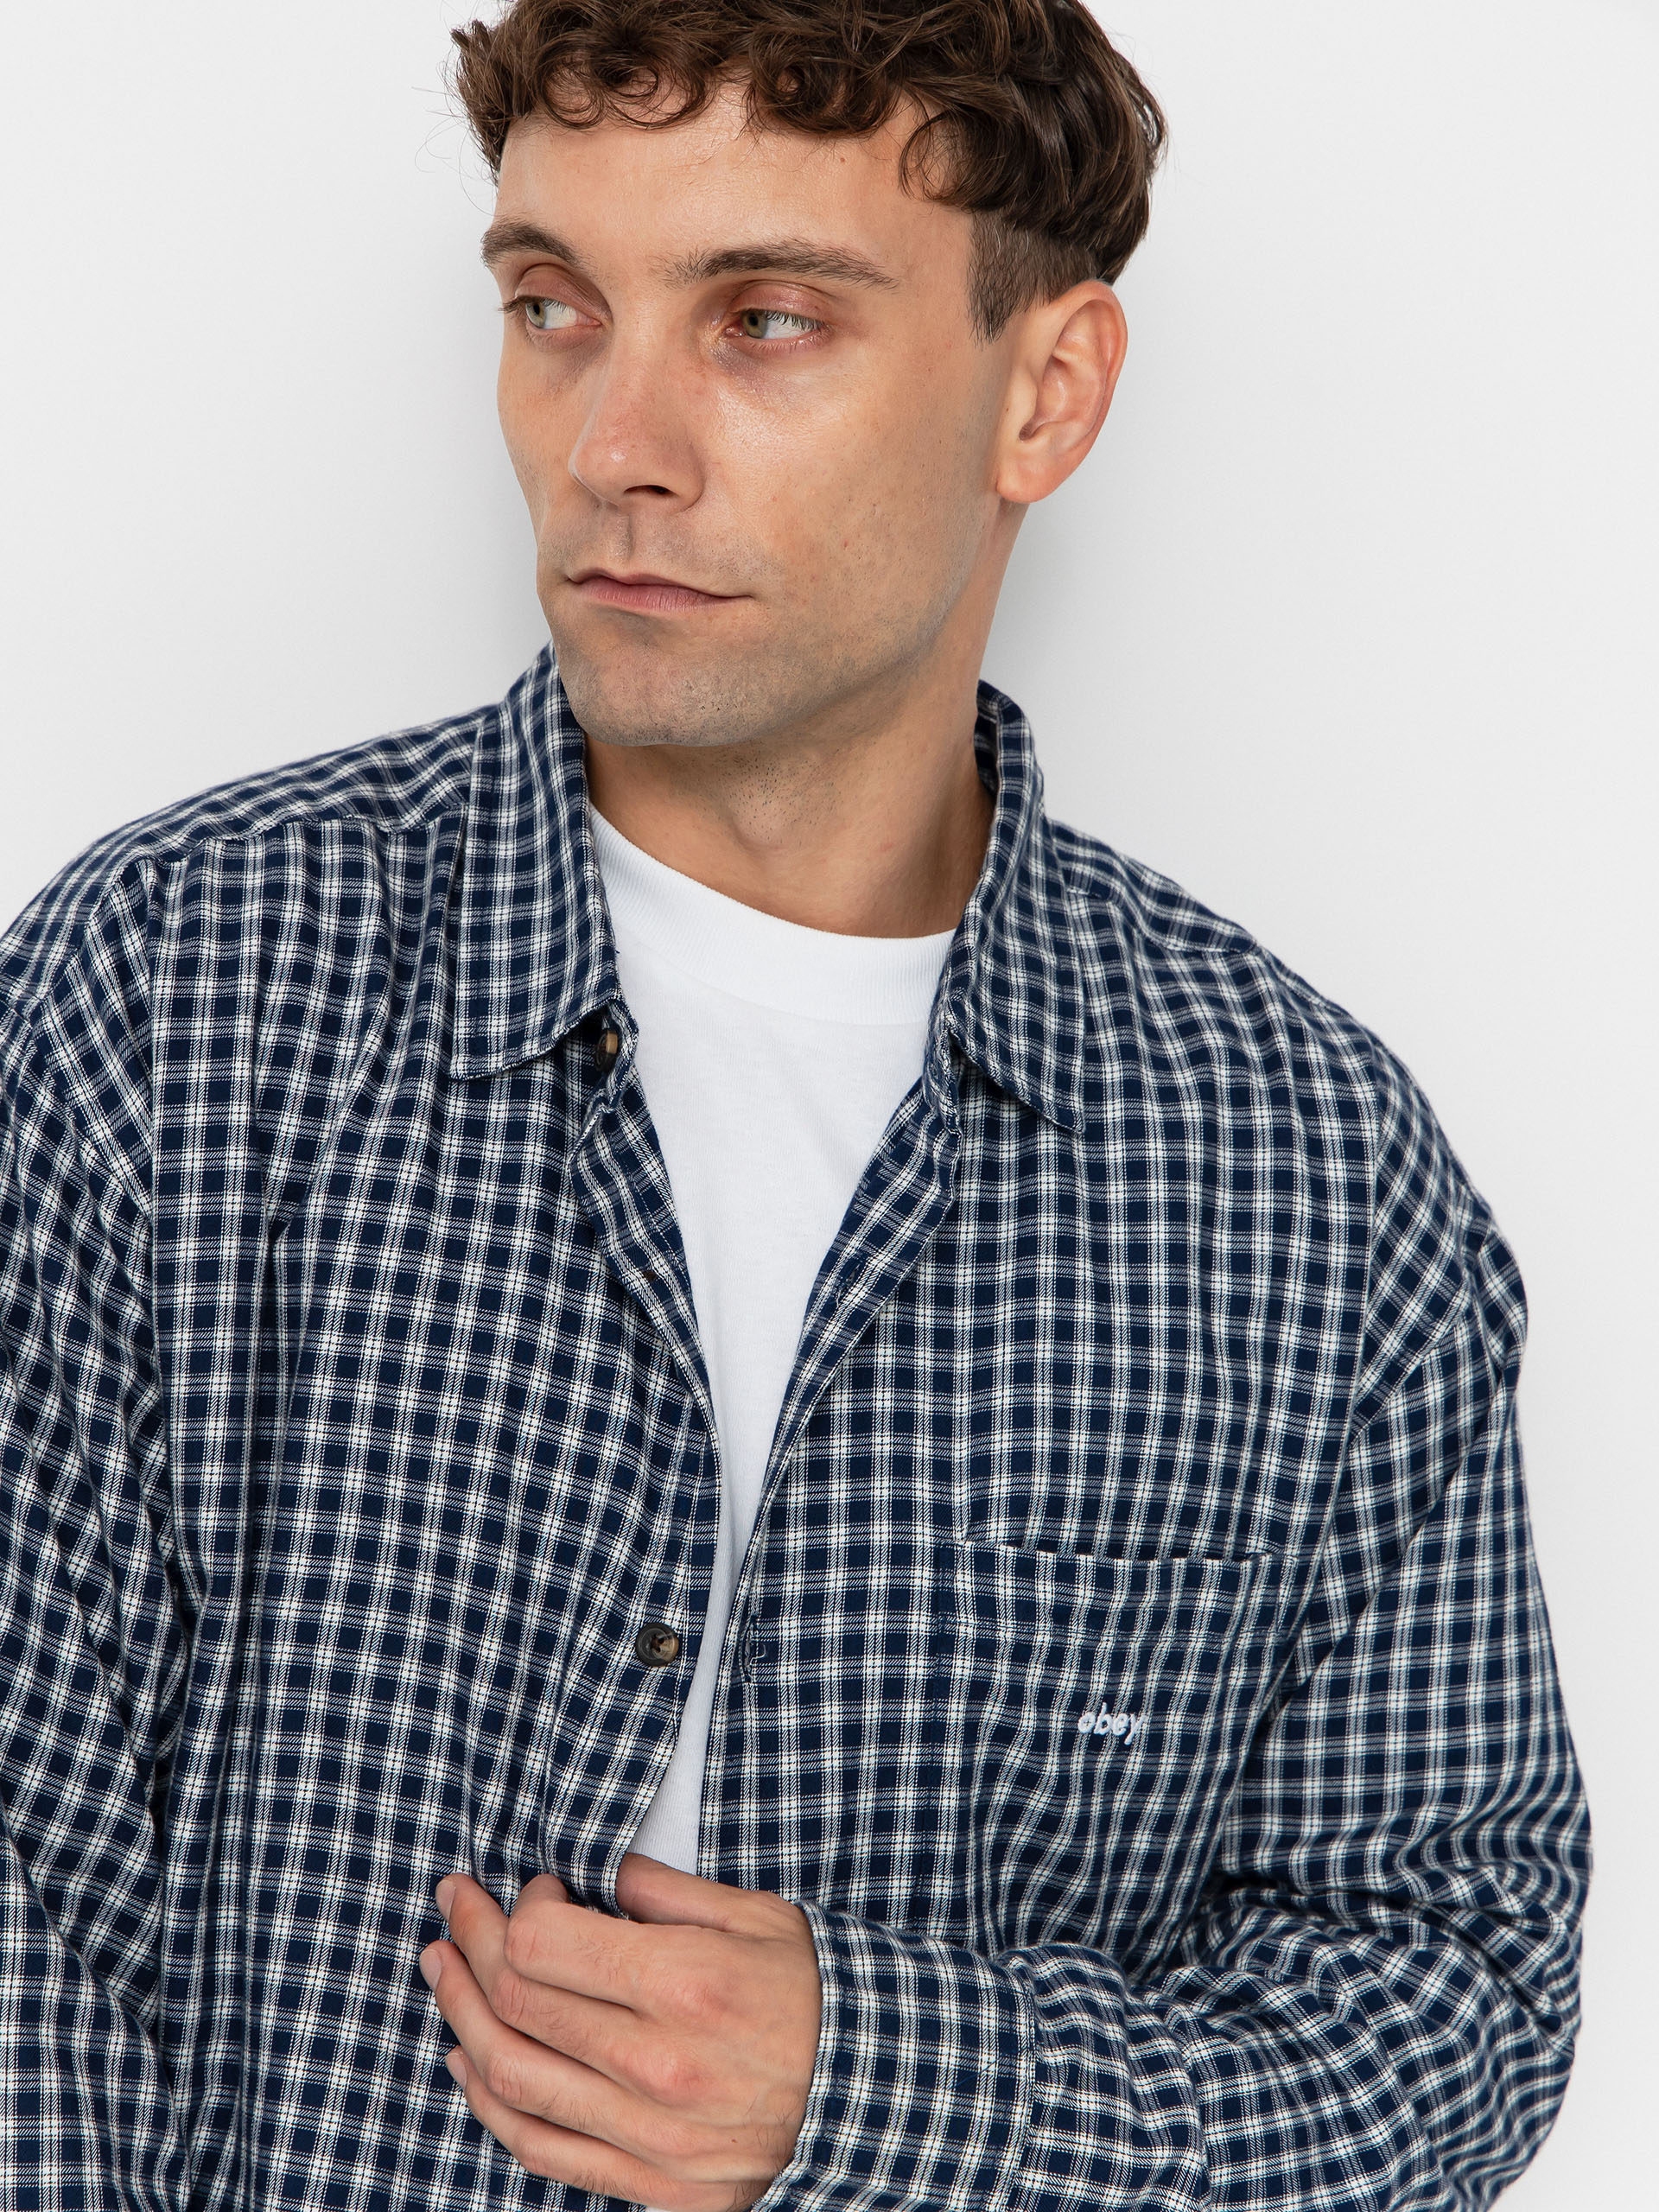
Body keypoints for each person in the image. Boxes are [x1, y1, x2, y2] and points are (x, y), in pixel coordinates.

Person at [0, 0, 1588, 2205]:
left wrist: (883, 2088)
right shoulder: (177, 997)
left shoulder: (1309, 1179)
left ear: (1047, 392)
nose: (613, 443)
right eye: (553, 305)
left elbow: (1452, 1988)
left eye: (762, 321)